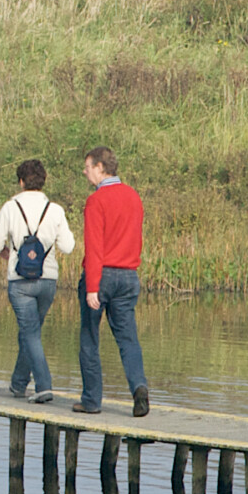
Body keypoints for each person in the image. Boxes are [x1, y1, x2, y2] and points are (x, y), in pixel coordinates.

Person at [0, 160, 74, 404]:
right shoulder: (55, 210)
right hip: (48, 280)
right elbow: (67, 246)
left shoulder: (11, 207)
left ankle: (44, 386)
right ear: (43, 180)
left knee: (30, 333)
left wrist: (7, 252)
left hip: (20, 281)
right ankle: (18, 383)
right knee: (31, 332)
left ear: (21, 182)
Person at [72, 146, 150, 417]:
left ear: (101, 168)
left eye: (88, 166)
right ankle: (139, 387)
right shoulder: (133, 196)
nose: (85, 171)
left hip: (102, 274)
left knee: (89, 338)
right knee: (128, 338)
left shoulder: (97, 200)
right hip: (129, 275)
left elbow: (94, 247)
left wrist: (92, 286)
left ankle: (92, 400)